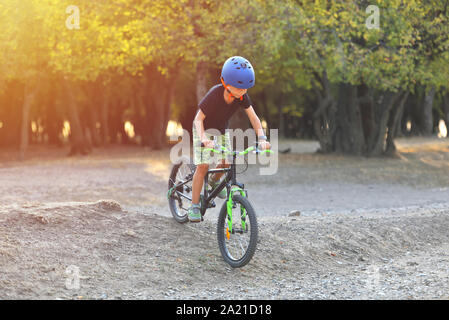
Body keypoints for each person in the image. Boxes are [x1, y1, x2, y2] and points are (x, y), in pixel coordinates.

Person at [188, 56, 271, 222]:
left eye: (246, 89)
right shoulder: (214, 95)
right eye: (239, 88)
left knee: (227, 161)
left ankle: (213, 181)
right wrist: (204, 138)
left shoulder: (242, 97)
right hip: (203, 128)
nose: (242, 92)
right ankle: (194, 205)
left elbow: (254, 118)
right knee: (203, 165)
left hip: (221, 130)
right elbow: (198, 119)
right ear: (226, 84)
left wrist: (262, 138)